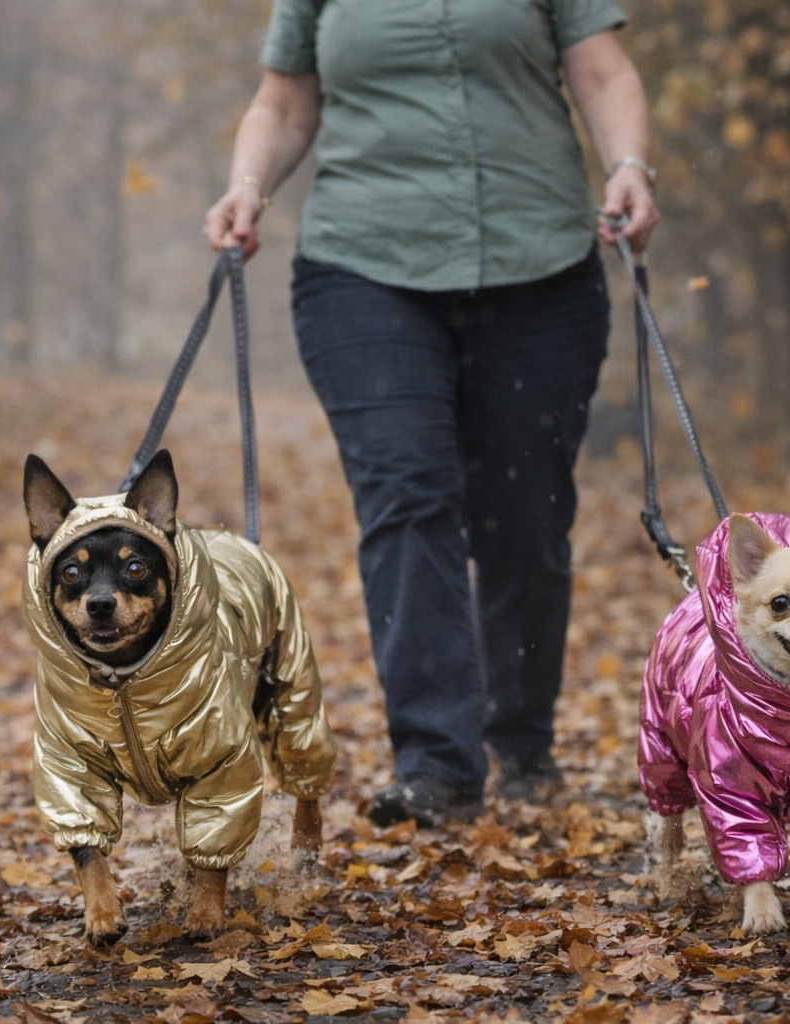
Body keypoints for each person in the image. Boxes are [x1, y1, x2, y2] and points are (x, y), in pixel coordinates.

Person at [204, 0, 659, 827]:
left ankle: (519, 738)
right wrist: (247, 188)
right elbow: (284, 103)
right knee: (407, 493)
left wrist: (629, 165)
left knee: (525, 517)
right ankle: (437, 764)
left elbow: (603, 74)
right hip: (362, 269)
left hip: (538, 265)